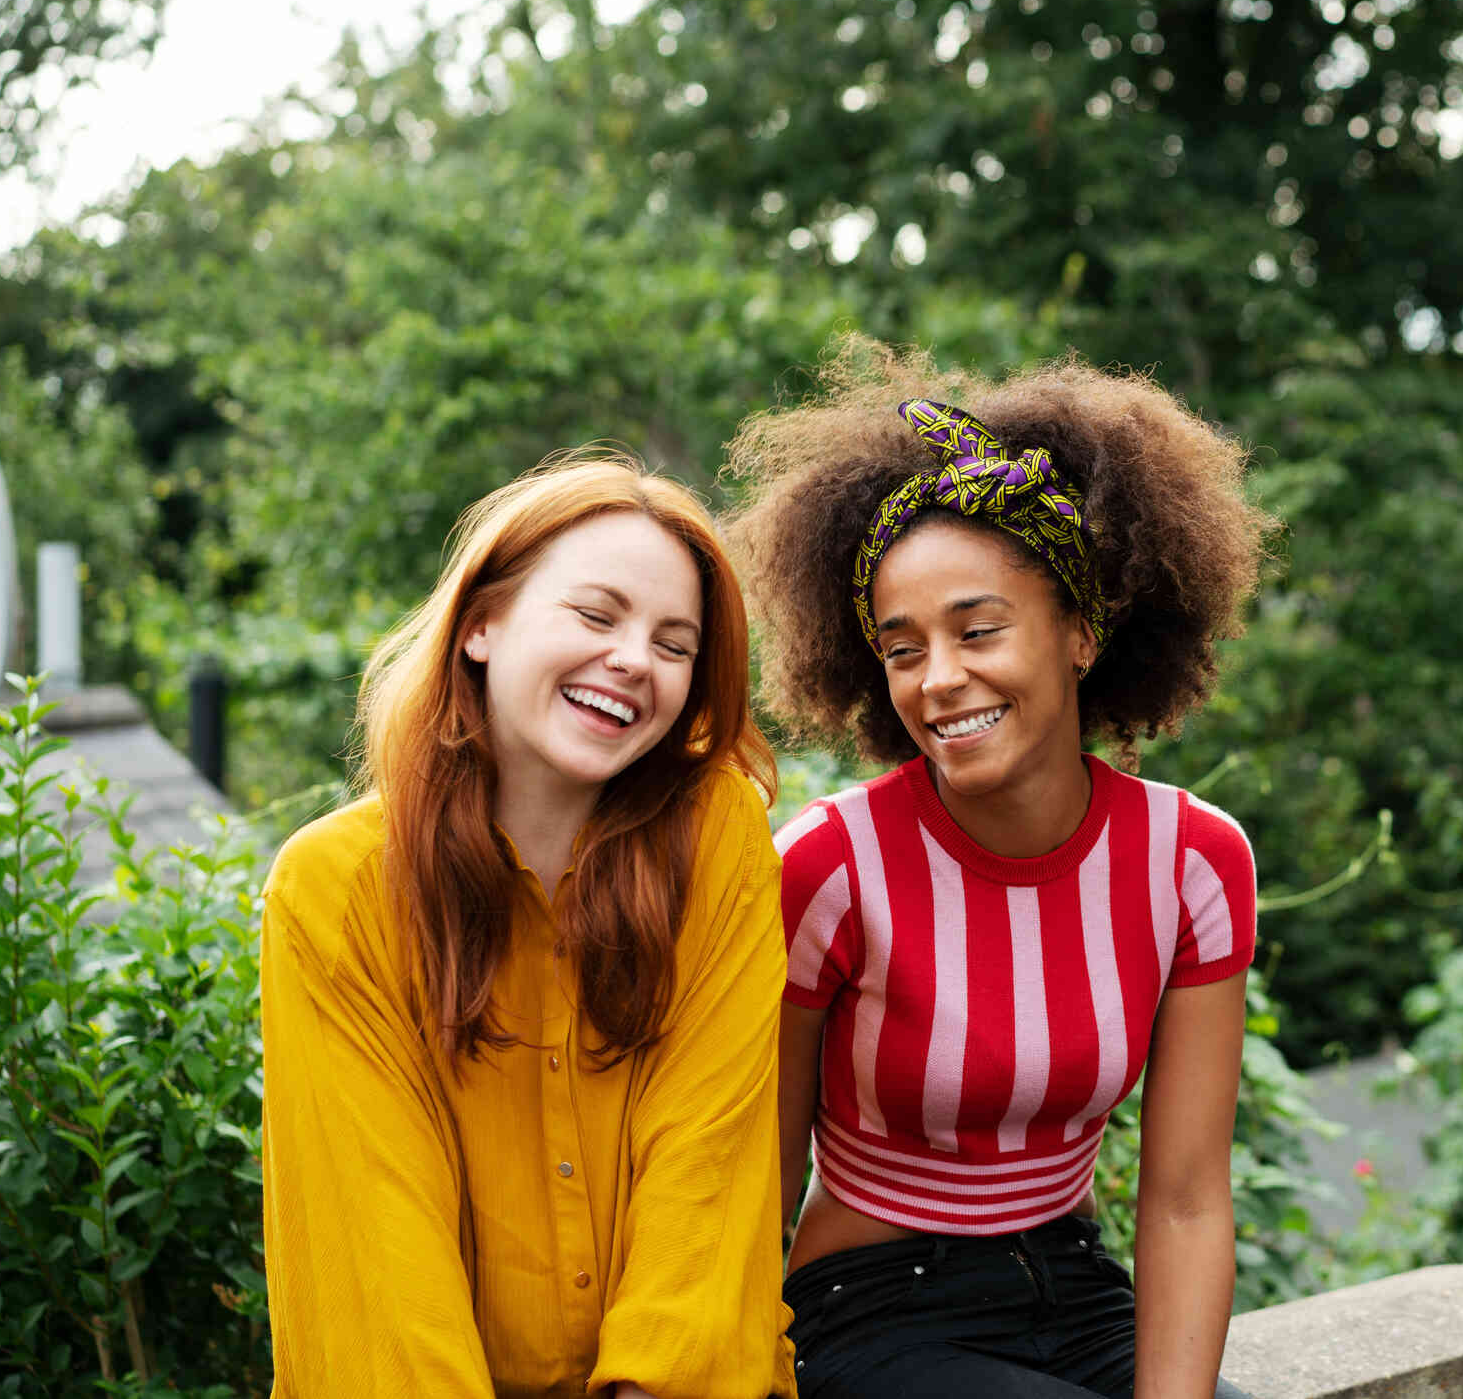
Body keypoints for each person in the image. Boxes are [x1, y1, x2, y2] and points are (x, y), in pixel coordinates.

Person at [727, 341, 1276, 1398]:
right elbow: (756, 1181)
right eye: (900, 648)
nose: (938, 679)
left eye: (978, 629)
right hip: (872, 1312)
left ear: (1080, 631)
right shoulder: (830, 865)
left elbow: (1183, 1201)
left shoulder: (1193, 864)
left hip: (1077, 1291)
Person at [260, 453, 796, 1398]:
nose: (634, 659)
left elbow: (706, 1176)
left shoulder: (718, 837)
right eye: (595, 615)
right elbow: (373, 1249)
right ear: (481, 625)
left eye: (675, 646)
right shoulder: (334, 890)